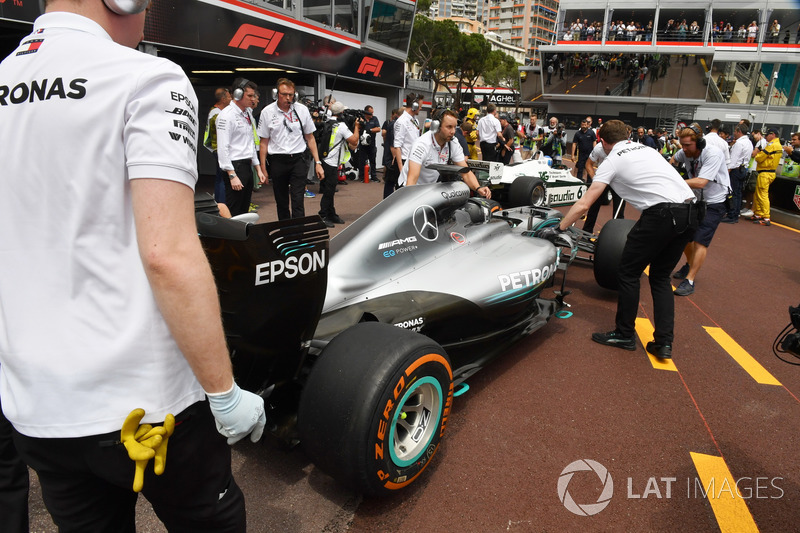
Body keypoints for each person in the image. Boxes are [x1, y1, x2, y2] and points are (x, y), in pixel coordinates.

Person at [0, 1, 268, 530]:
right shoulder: (148, 77)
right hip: (148, 405)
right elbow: (166, 253)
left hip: (37, 406)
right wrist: (225, 392)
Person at [543, 120, 696, 359]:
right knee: (660, 278)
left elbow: (585, 203)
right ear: (627, 135)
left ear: (602, 142)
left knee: (627, 273)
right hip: (691, 212)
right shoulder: (648, 150)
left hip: (661, 214)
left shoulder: (612, 158)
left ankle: (625, 334)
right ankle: (664, 343)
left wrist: (559, 228)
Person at [670, 124, 731, 296]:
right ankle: (690, 263)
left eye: (688, 145)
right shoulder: (684, 152)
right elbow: (673, 160)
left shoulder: (712, 154)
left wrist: (674, 181)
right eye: (682, 145)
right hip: (697, 200)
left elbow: (701, 182)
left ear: (700, 143)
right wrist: (670, 170)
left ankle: (689, 280)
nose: (684, 149)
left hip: (715, 202)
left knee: (699, 240)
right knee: (684, 236)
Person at [258, 78, 323, 220]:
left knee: (298, 200)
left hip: (298, 160)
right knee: (281, 201)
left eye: (291, 95)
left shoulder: (302, 110)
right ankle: (285, 232)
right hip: (277, 161)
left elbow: (310, 137)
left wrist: (318, 163)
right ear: (276, 94)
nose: (288, 98)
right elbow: (263, 142)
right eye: (284, 94)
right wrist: (263, 168)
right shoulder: (267, 112)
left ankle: (299, 235)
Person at [398, 110, 491, 199]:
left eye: (455, 127)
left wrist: (478, 188)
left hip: (428, 188)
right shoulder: (422, 144)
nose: (453, 131)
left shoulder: (453, 142)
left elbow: (465, 172)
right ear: (436, 126)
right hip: (408, 188)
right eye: (449, 127)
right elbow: (412, 178)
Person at [217, 78, 266, 216]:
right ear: (237, 94)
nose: (253, 99)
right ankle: (231, 237)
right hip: (234, 166)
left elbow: (250, 142)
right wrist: (232, 175)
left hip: (246, 166)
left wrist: (258, 169)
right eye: (249, 96)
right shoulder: (226, 116)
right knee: (234, 209)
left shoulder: (247, 113)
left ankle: (243, 237)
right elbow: (223, 147)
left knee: (244, 209)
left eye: (253, 95)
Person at [319, 102, 359, 227]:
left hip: (325, 160)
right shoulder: (341, 126)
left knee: (329, 190)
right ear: (342, 113)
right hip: (331, 162)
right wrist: (357, 126)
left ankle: (331, 214)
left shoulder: (328, 122)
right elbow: (354, 140)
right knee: (329, 191)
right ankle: (323, 215)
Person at [581, 141, 625, 234]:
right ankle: (586, 233)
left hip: (618, 181)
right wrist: (595, 179)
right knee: (593, 208)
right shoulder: (598, 148)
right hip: (602, 179)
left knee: (619, 211)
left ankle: (617, 237)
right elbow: (588, 164)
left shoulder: (622, 148)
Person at [204, 87, 232, 203]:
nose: (231, 99)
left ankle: (220, 202)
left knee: (219, 178)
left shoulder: (216, 112)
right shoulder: (216, 114)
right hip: (219, 149)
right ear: (223, 99)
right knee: (222, 179)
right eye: (229, 96)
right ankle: (222, 204)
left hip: (217, 149)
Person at [721, 124, 754, 223]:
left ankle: (732, 215)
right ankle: (736, 213)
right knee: (738, 193)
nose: (734, 133)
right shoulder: (748, 142)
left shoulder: (739, 143)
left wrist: (727, 172)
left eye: (735, 131)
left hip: (736, 169)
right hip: (743, 169)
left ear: (739, 131)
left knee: (733, 193)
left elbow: (733, 160)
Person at [750, 128, 783, 226]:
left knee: (762, 195)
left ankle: (766, 217)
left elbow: (759, 158)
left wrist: (759, 154)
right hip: (768, 172)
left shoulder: (772, 145)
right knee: (759, 194)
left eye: (767, 135)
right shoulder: (777, 145)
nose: (765, 137)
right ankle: (759, 214)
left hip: (766, 172)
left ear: (772, 134)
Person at [392, 92, 422, 185]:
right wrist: (401, 170)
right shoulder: (401, 122)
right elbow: (397, 146)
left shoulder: (415, 120)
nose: (421, 108)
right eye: (420, 106)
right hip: (404, 161)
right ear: (414, 106)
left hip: (414, 160)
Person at [381, 107, 401, 198]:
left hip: (390, 156)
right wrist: (395, 157)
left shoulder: (394, 124)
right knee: (391, 181)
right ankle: (388, 202)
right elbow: (393, 144)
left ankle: (388, 201)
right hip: (392, 157)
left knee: (390, 181)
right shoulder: (395, 125)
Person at [358, 105, 381, 183]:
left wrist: (370, 130)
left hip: (371, 143)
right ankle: (361, 176)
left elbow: (378, 129)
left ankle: (374, 176)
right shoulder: (361, 119)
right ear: (366, 113)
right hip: (362, 144)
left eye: (372, 113)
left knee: (372, 160)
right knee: (362, 160)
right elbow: (356, 128)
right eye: (370, 113)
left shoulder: (374, 119)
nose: (372, 114)